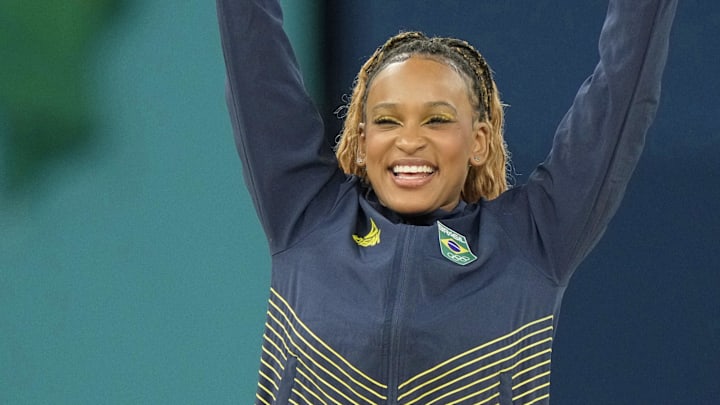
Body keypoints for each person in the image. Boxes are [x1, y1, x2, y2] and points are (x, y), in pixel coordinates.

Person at [216, 0, 676, 403]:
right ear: (359, 142)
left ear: (477, 141)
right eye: (387, 121)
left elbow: (623, 89)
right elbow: (253, 49)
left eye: (436, 120)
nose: (410, 141)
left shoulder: (532, 243)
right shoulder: (307, 216)